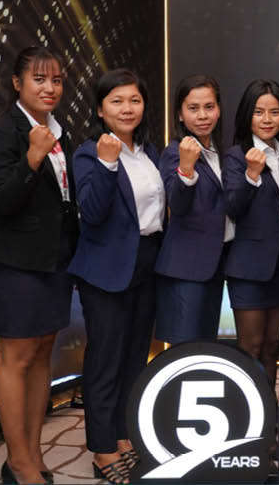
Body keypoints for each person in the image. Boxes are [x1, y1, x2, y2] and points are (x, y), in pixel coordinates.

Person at [0, 46, 79, 485]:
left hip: (55, 261)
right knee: (17, 357)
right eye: (39, 79)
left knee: (43, 354)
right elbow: (3, 201)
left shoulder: (61, 130)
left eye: (56, 80)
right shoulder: (2, 132)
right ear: (17, 84)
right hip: (16, 262)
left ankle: (33, 453)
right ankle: (17, 461)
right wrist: (34, 156)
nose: (49, 88)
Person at [67, 69, 164, 484]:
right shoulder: (89, 154)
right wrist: (108, 164)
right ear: (100, 110)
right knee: (105, 361)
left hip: (147, 262)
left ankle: (124, 436)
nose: (127, 109)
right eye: (117, 101)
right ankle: (102, 448)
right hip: (106, 269)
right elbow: (91, 213)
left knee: (134, 358)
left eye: (135, 100)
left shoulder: (149, 152)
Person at [221, 79, 279, 385]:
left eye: (274, 112)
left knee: (272, 346)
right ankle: (248, 409)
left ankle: (269, 409)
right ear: (247, 116)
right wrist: (251, 175)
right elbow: (233, 207)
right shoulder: (236, 156)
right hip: (249, 265)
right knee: (250, 347)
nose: (267, 119)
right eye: (258, 112)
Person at [154, 75, 228, 344]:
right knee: (185, 350)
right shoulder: (174, 152)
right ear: (180, 114)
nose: (202, 116)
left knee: (205, 348)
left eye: (209, 107)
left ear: (218, 110)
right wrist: (185, 169)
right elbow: (178, 205)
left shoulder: (221, 152)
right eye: (193, 108)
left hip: (213, 267)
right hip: (185, 269)